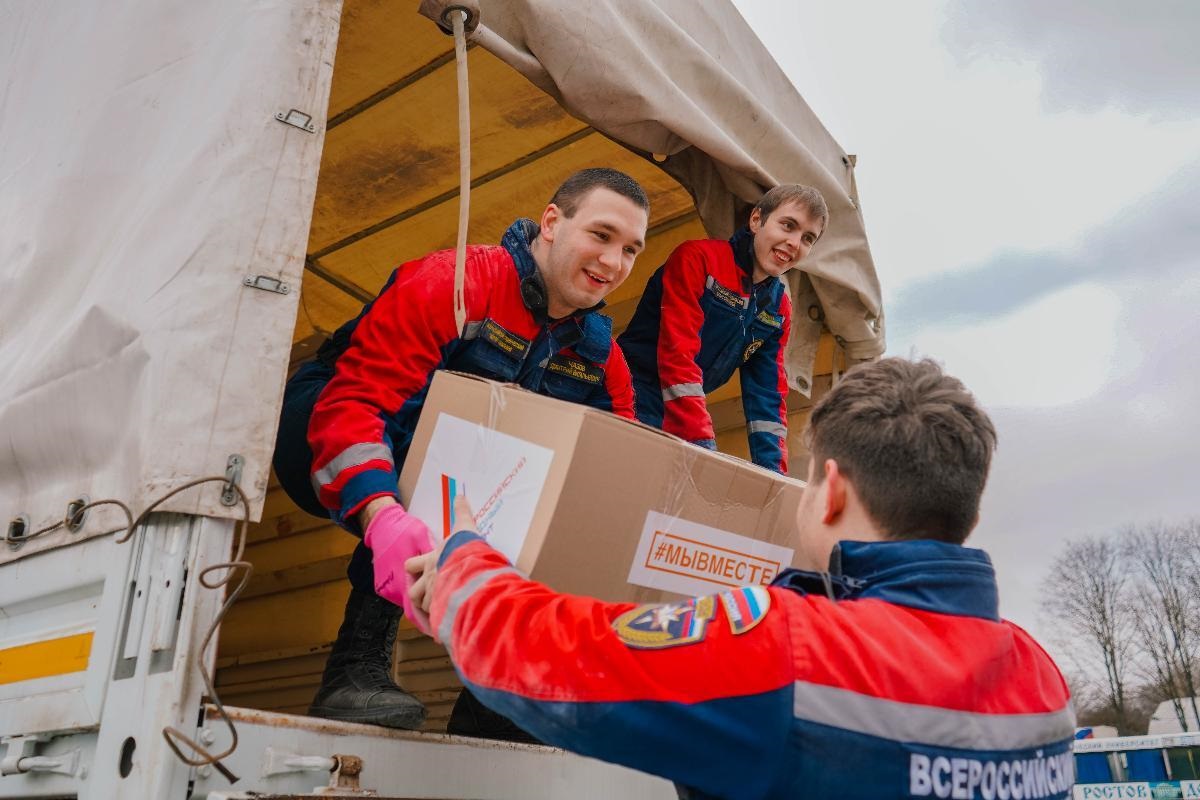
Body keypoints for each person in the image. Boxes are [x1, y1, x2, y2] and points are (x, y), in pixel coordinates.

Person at [400, 358, 1076, 799]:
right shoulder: (1040, 682)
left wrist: (465, 562)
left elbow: (547, 659)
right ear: (970, 508)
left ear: (830, 490)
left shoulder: (788, 648)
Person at [271, 168, 650, 732]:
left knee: (561, 503)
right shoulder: (457, 283)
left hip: (446, 459)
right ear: (551, 222)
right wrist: (384, 519)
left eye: (630, 250)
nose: (614, 263)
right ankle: (353, 670)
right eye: (601, 235)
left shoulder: (603, 361)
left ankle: (495, 708)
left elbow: (614, 479)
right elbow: (355, 405)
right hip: (326, 425)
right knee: (451, 447)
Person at [616, 184, 827, 475]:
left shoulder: (779, 309)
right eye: (788, 226)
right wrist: (702, 443)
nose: (794, 242)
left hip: (682, 410)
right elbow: (678, 355)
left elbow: (767, 396)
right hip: (628, 391)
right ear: (756, 220)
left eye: (807, 238)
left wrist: (774, 477)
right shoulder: (697, 259)